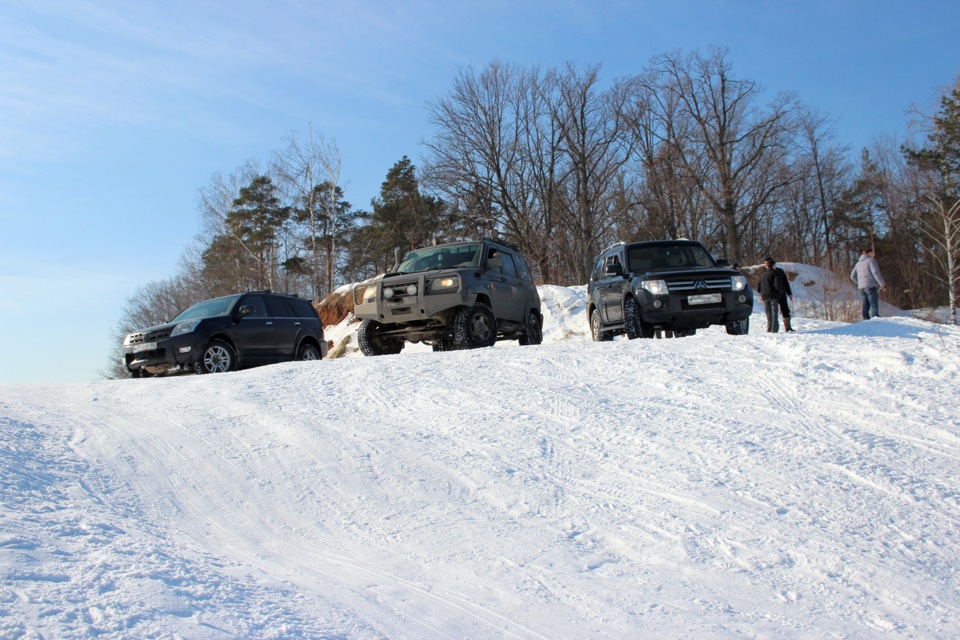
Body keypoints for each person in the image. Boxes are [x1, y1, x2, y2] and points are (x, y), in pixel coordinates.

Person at [850, 248, 886, 319]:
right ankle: (875, 320)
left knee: (865, 304)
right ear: (869, 253)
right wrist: (882, 284)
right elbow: (875, 273)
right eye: (873, 252)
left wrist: (859, 283)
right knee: (873, 304)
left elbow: (852, 276)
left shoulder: (858, 264)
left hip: (861, 287)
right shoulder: (871, 261)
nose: (874, 254)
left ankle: (865, 319)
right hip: (870, 285)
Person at [757, 257, 785, 333]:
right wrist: (779, 293)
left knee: (768, 313)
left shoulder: (762, 274)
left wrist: (762, 293)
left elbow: (758, 286)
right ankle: (774, 329)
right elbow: (777, 285)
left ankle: (769, 329)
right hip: (773, 295)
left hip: (765, 296)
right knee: (774, 312)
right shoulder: (775, 273)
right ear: (773, 265)